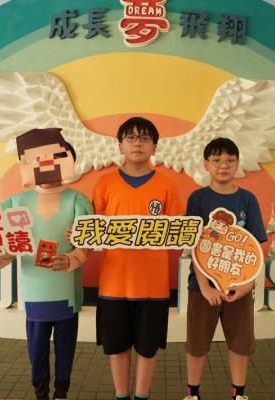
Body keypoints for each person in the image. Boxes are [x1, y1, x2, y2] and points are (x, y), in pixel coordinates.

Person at [0, 128, 93, 400]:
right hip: (34, 291)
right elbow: (8, 248)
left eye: (55, 157)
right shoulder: (16, 203)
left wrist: (71, 258)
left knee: (66, 347)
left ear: (69, 162)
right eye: (39, 159)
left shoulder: (78, 200)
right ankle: (40, 393)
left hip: (66, 290)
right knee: (37, 347)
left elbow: (88, 244)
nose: (46, 164)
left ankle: (61, 392)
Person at [93, 117, 183, 400]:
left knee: (147, 348)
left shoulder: (166, 185)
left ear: (154, 147)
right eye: (130, 138)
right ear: (120, 145)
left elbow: (177, 232)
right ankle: (121, 395)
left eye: (144, 138)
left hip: (153, 285)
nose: (137, 143)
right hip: (113, 284)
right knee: (117, 347)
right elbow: (93, 231)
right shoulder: (105, 183)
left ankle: (142, 395)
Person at [183, 138, 267, 400]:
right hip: (202, 288)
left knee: (241, 343)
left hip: (239, 287)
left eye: (230, 160)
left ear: (237, 164)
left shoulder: (247, 200)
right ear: (206, 164)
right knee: (197, 343)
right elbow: (194, 247)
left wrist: (248, 284)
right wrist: (205, 286)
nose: (224, 165)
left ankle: (238, 393)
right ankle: (193, 393)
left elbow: (255, 248)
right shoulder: (197, 199)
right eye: (217, 160)